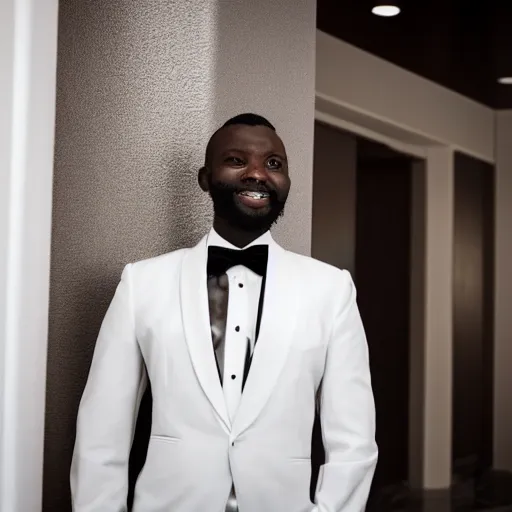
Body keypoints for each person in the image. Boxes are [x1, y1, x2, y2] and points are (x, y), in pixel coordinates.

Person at [70, 113, 378, 512]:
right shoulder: (142, 283)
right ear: (205, 178)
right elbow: (101, 430)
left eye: (273, 164)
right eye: (236, 160)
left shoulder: (331, 289)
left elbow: (353, 438)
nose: (257, 173)